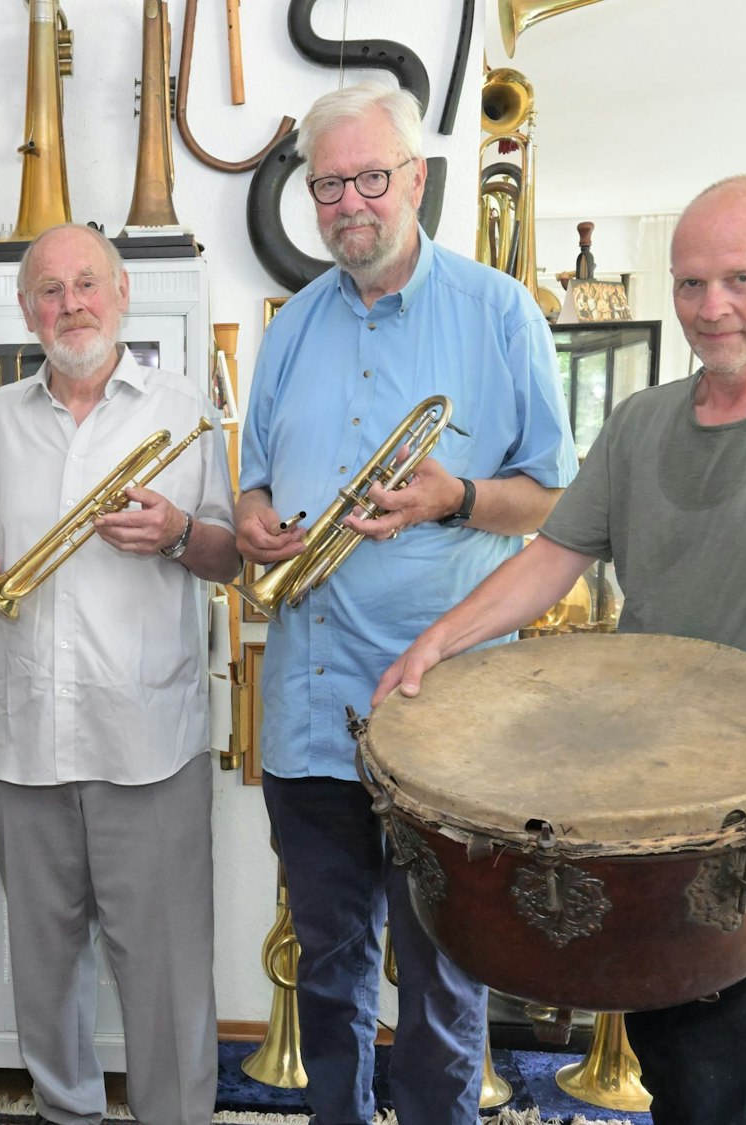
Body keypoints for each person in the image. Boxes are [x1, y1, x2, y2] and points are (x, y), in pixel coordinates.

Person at [375, 174, 746, 1124]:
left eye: (738, 280)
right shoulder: (639, 423)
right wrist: (434, 645)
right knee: (663, 1050)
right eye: (689, 284)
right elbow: (550, 559)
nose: (709, 307)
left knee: (714, 1082)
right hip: (633, 808)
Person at [232, 81, 577, 1124]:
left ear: (415, 178)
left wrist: (457, 498)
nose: (347, 203)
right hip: (308, 709)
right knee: (326, 968)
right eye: (327, 184)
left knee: (438, 986)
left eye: (368, 178)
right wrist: (250, 519)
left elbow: (556, 499)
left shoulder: (497, 311)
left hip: (443, 718)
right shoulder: (290, 327)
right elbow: (249, 480)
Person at [0, 224, 239, 1125]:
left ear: (120, 295)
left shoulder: (184, 408)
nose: (69, 302)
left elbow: (232, 558)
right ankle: (65, 1116)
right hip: (25, 742)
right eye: (48, 289)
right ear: (26, 308)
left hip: (148, 743)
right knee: (44, 976)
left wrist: (178, 534)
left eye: (85, 284)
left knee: (167, 980)